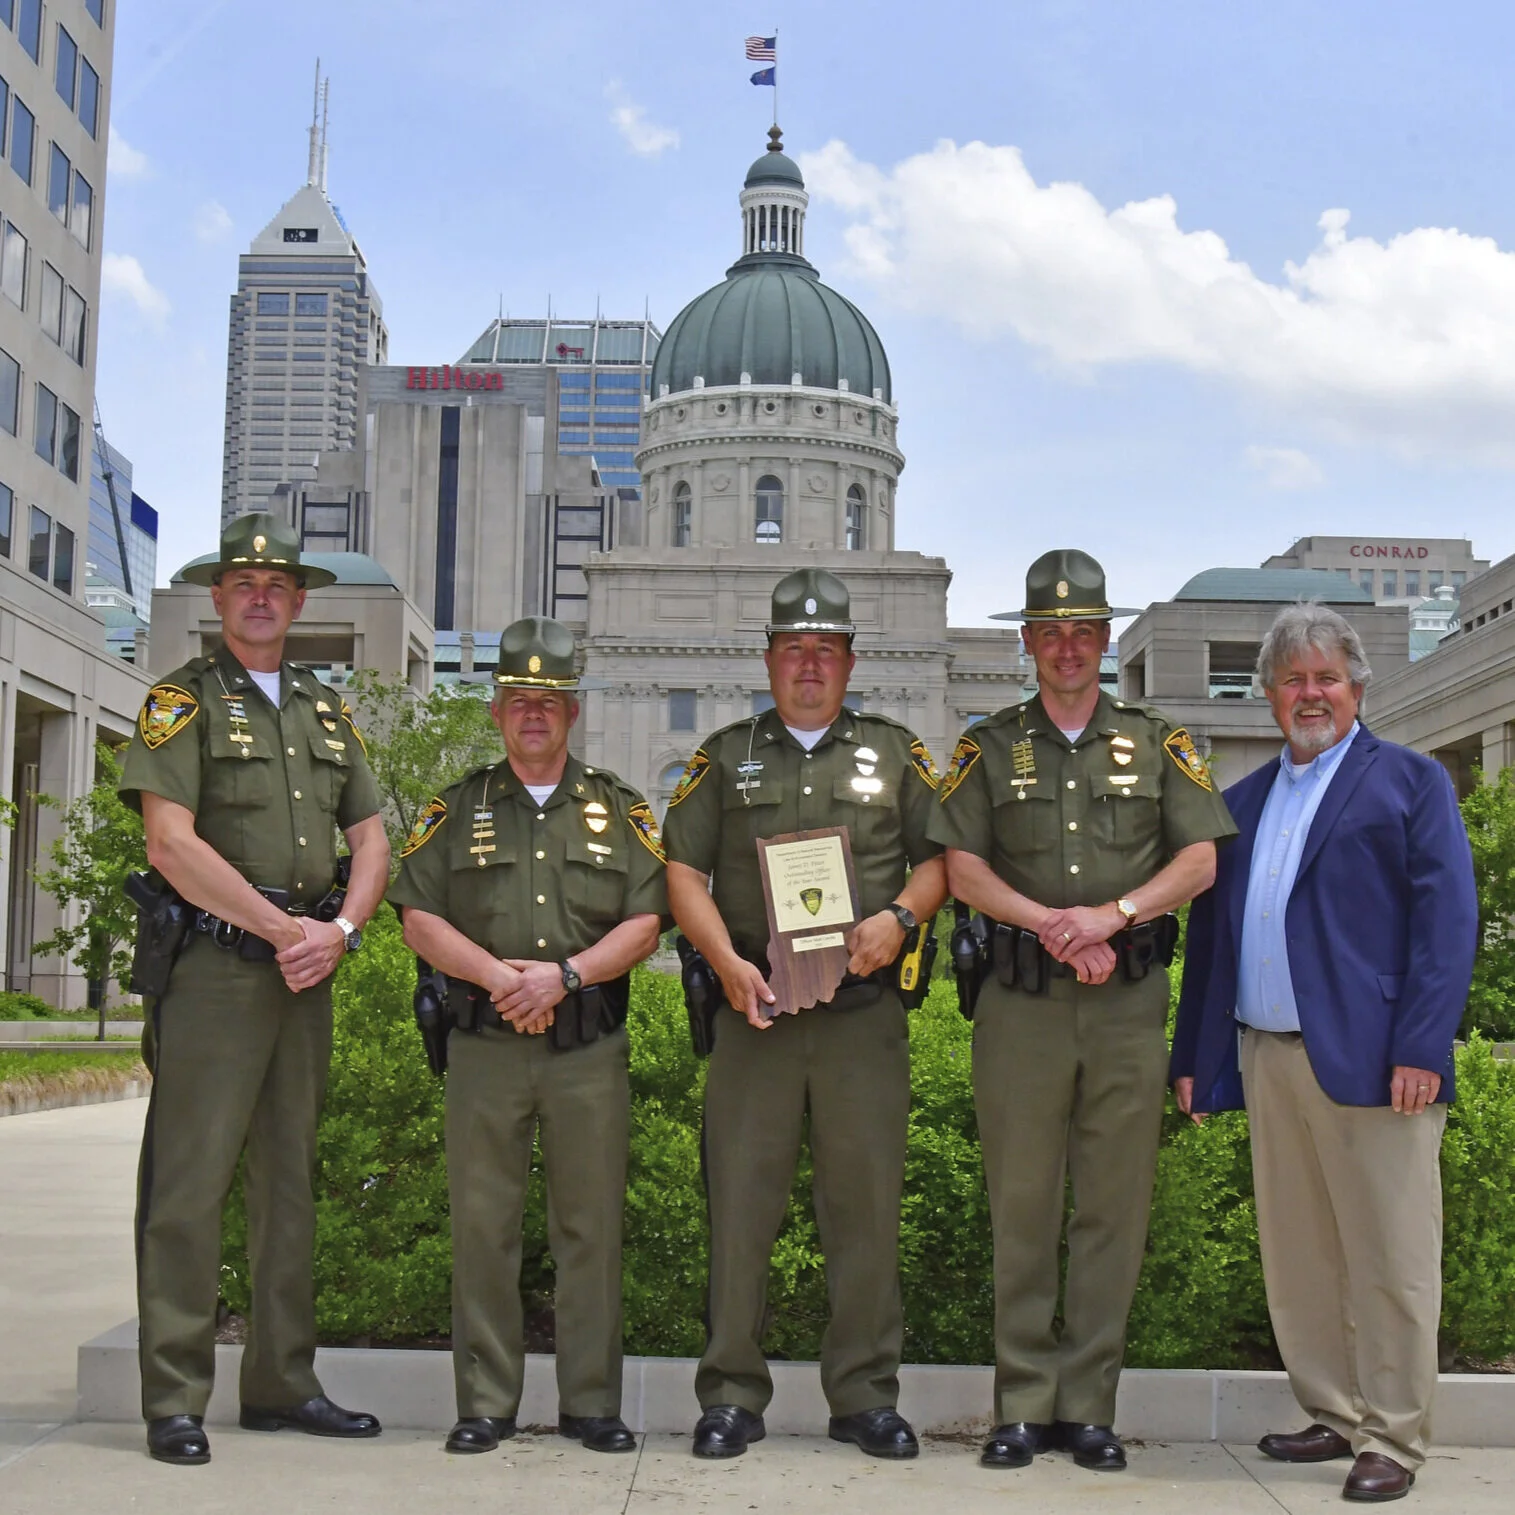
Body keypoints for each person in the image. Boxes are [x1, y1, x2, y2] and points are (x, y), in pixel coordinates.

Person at [929, 548, 1236, 1473]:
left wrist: (1111, 915)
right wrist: (1053, 926)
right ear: (1028, 641)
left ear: (1104, 641)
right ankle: (1021, 1403)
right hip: (1020, 1006)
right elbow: (959, 866)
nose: (1067, 647)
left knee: (1112, 1203)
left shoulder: (1156, 740)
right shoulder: (987, 746)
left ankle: (1089, 1405)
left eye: (1084, 631)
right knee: (1021, 1203)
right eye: (1050, 631)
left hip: (1126, 1003)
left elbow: (1199, 860)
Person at [1172, 601, 1476, 1504]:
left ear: (1355, 688)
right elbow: (1214, 939)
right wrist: (1195, 1053)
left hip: (1377, 1060)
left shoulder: (1410, 783)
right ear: (1269, 693)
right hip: (1267, 1055)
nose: (1311, 694)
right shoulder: (1242, 802)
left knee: (1389, 1253)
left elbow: (1445, 925)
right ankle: (1332, 1411)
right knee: (1300, 1250)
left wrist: (1420, 1043)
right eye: (1294, 679)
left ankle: (1394, 1435)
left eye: (1326, 678)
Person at [118, 513, 391, 1466]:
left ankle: (280, 1383)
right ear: (219, 596)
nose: (262, 594)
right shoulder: (179, 702)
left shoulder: (326, 709)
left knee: (290, 1185)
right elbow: (170, 841)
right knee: (188, 1186)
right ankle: (176, 1397)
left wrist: (342, 932)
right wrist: (284, 930)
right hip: (217, 972)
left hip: (305, 971)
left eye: (278, 584)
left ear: (302, 601)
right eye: (244, 582)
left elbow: (372, 838)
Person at [662, 568, 947, 1461]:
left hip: (862, 1014)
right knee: (740, 1205)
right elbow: (682, 872)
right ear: (769, 659)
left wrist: (899, 920)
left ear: (851, 661)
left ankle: (864, 1395)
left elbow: (942, 859)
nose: (810, 664)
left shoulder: (897, 753)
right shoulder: (723, 753)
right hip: (758, 1012)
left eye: (826, 649)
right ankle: (731, 1395)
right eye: (794, 648)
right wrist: (724, 962)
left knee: (862, 1208)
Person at [389, 616, 666, 1457]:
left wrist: (566, 975)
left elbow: (649, 919)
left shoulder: (619, 808)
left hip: (586, 1048)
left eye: (548, 699)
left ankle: (590, 1403)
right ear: (496, 711)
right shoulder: (456, 807)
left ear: (572, 711)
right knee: (484, 1225)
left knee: (590, 1227)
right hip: (484, 1047)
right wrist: (496, 977)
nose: (533, 713)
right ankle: (485, 1402)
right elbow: (417, 917)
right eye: (518, 700)